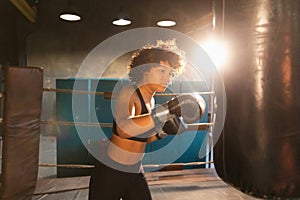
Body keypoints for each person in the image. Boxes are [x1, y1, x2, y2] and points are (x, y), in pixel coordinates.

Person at [88, 39, 206, 200]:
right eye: (161, 71)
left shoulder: (151, 102)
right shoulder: (129, 93)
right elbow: (124, 128)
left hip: (135, 171)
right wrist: (167, 109)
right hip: (111, 172)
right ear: (144, 71)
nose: (167, 78)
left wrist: (162, 133)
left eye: (170, 74)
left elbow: (141, 138)